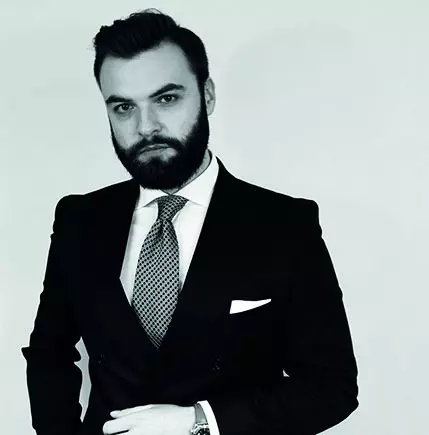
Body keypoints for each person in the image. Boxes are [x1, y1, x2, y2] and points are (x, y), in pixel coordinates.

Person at [22, 8, 359, 435]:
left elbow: (331, 386)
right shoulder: (79, 220)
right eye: (123, 107)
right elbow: (49, 353)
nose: (146, 127)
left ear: (207, 95)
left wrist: (200, 421)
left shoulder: (285, 225)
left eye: (166, 99)